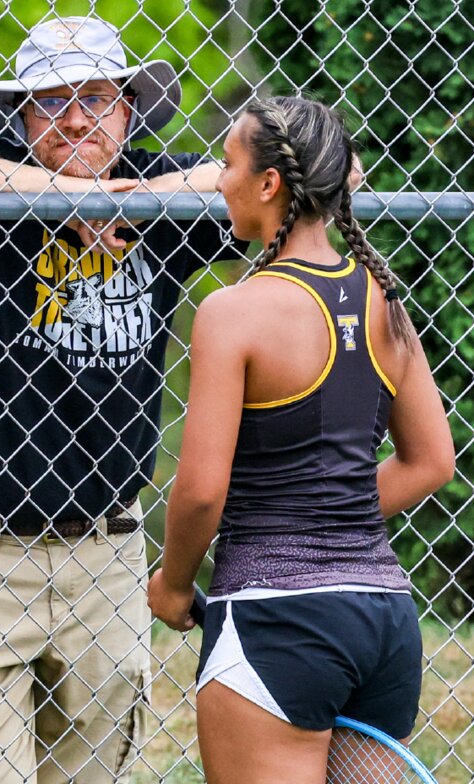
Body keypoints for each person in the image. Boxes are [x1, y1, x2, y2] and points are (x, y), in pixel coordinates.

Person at [0, 16, 245, 784]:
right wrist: (56, 193)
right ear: (19, 116)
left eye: (98, 98)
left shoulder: (157, 192)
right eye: (51, 101)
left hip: (103, 553)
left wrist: (125, 200)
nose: (76, 118)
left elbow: (316, 166)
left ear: (131, 110)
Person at [147, 95, 455, 783]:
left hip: (277, 623)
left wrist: (172, 585)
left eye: (227, 163)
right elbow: (433, 461)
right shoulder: (383, 298)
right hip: (384, 621)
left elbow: (200, 491)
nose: (218, 178)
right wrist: (331, 517)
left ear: (269, 184)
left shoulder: (234, 313)